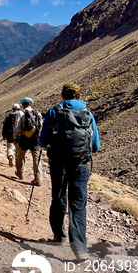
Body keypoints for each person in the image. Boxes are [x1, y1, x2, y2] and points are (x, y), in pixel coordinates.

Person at [40, 83, 100, 260]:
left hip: (58, 163)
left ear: (62, 95)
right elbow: (95, 145)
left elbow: (43, 139)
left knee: (58, 197)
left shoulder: (54, 111)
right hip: (81, 165)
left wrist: (44, 145)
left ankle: (59, 237)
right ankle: (80, 248)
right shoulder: (88, 114)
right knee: (78, 204)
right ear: (79, 96)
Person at [15, 97, 43, 185]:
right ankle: (38, 179)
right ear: (31, 104)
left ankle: (20, 173)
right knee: (36, 158)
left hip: (24, 138)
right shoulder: (37, 113)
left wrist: (15, 138)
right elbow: (41, 125)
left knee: (20, 155)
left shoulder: (20, 113)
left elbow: (16, 126)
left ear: (23, 105)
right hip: (35, 139)